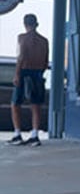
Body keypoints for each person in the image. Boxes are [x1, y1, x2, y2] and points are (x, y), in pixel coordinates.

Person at [8, 13, 50, 147]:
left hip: (24, 71)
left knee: (15, 103)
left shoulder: (22, 38)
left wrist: (17, 74)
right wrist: (39, 72)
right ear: (36, 24)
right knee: (35, 105)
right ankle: (35, 135)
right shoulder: (44, 41)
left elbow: (21, 56)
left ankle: (17, 134)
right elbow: (45, 62)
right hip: (38, 73)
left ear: (25, 24)